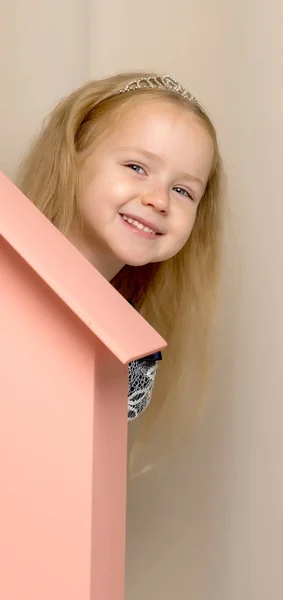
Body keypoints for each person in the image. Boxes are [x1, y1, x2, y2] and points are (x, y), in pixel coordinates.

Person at [16, 72, 225, 444]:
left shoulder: (130, 349)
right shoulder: (12, 279)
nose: (158, 200)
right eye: (136, 168)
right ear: (73, 156)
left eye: (182, 190)